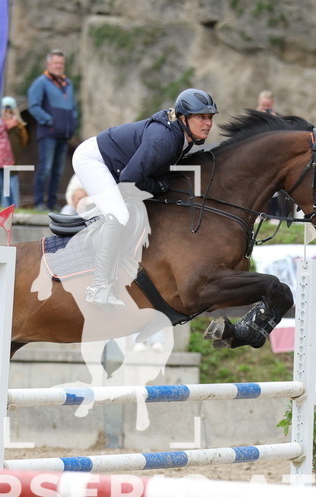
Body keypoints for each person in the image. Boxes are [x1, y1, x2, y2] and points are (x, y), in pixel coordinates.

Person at [71, 87, 217, 308]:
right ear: (184, 118)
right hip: (93, 160)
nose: (207, 123)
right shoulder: (164, 140)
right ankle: (98, 287)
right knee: (118, 215)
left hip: (116, 165)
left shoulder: (183, 137)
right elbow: (129, 180)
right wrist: (158, 185)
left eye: (210, 117)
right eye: (201, 117)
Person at [28, 49, 78, 211]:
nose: (59, 66)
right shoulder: (41, 83)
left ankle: (51, 203)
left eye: (61, 63)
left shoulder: (68, 84)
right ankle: (38, 202)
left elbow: (73, 108)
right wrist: (49, 121)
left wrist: (72, 123)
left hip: (64, 135)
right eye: (56, 63)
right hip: (48, 134)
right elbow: (34, 106)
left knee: (58, 171)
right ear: (49, 64)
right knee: (45, 168)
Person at [1, 96, 28, 206]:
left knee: (5, 181)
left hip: (4, 158)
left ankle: (7, 205)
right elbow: (24, 140)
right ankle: (13, 204)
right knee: (9, 181)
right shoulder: (19, 125)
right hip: (11, 158)